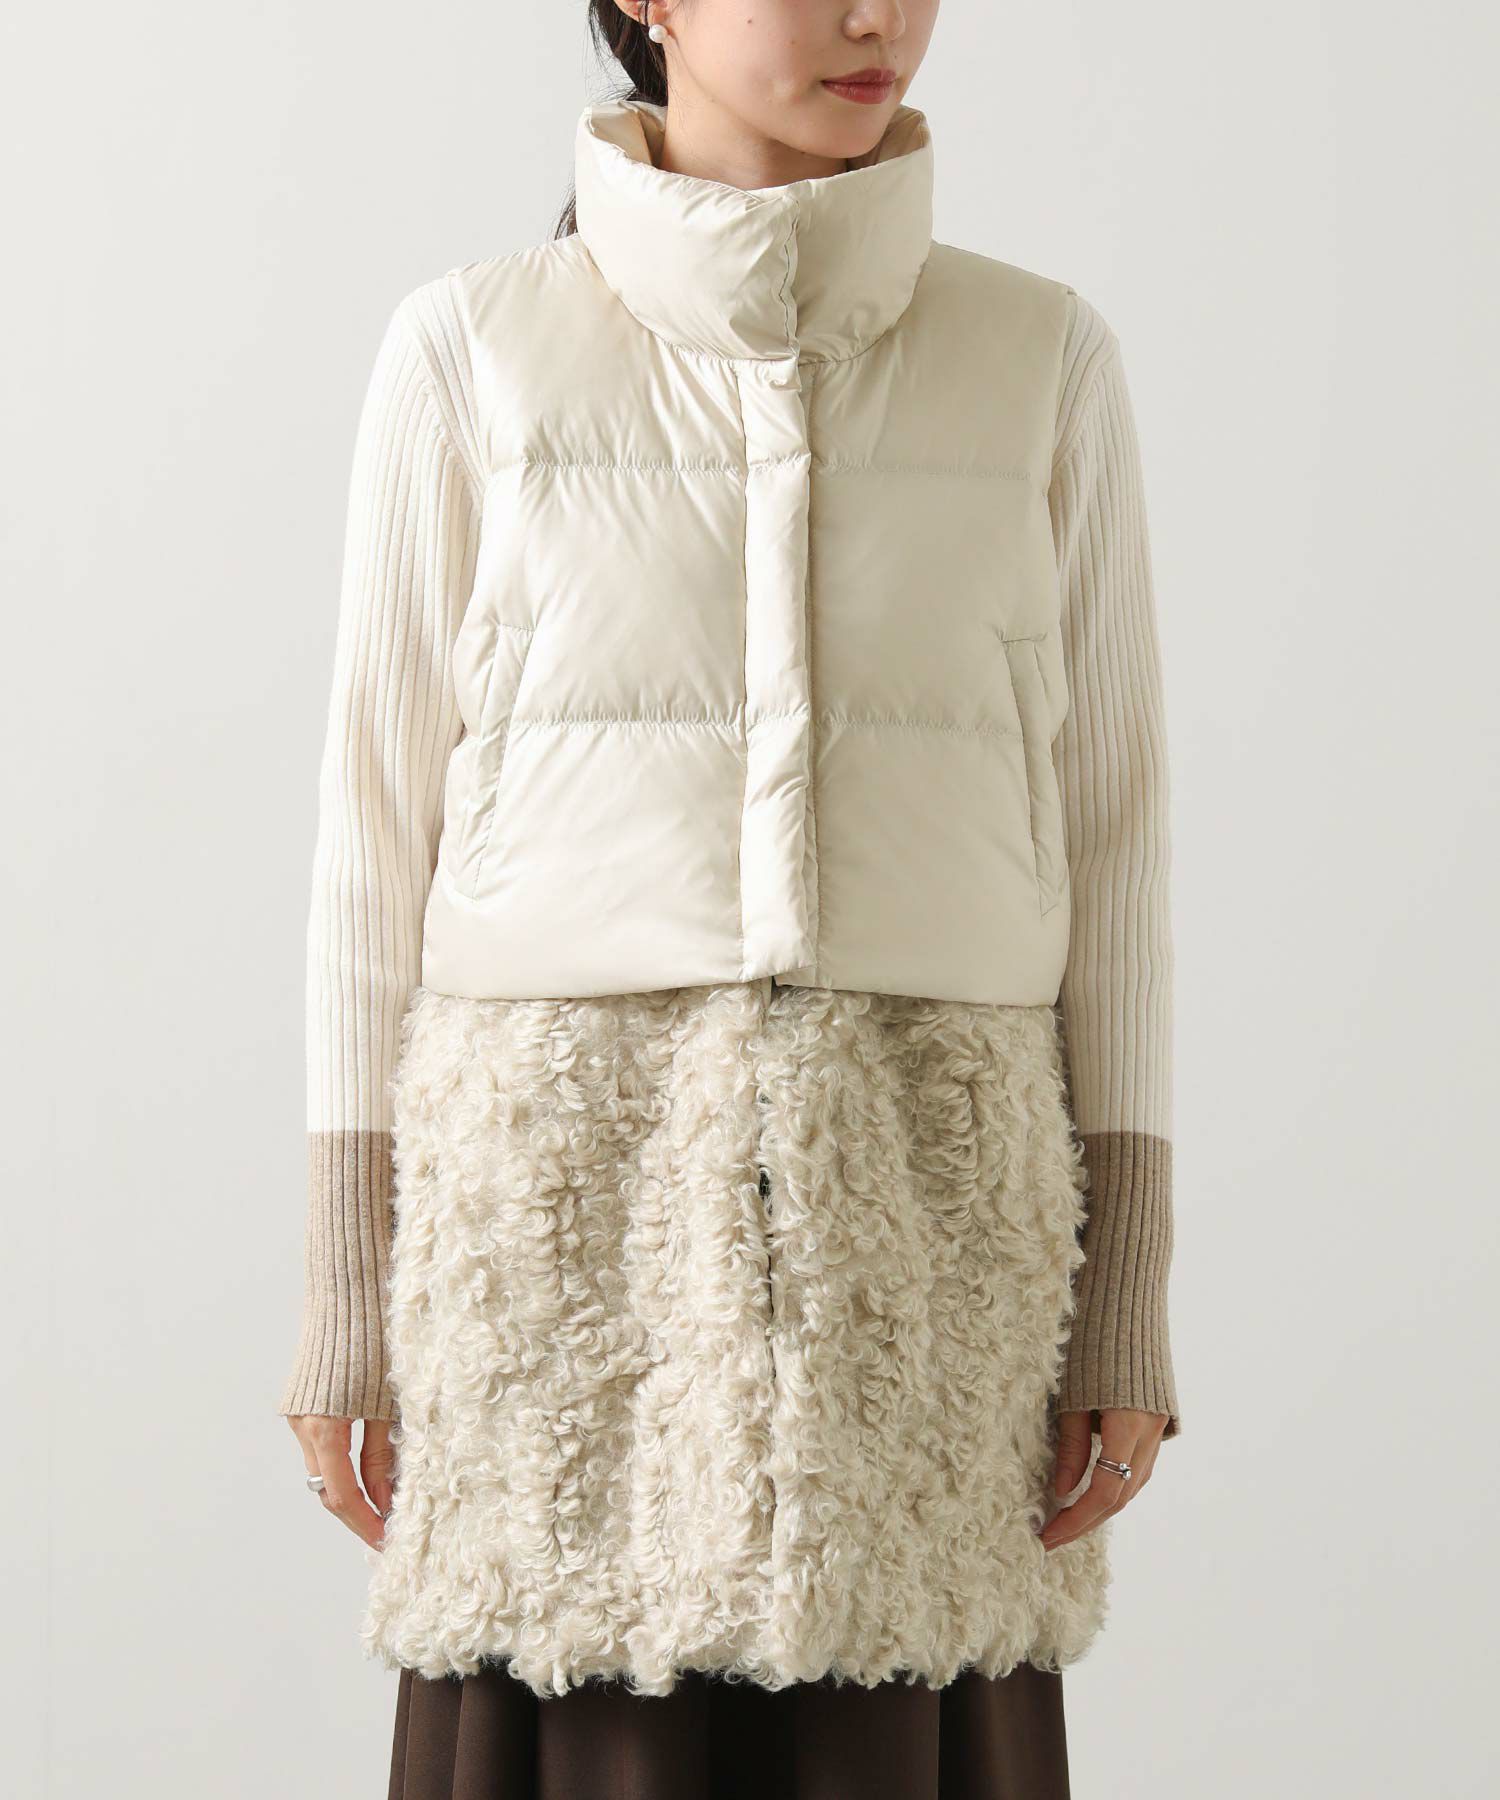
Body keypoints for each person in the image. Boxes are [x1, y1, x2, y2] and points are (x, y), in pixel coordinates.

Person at [280, 2, 1182, 1794]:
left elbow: (1114, 834)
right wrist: (347, 1289)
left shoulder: (1039, 359)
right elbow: (372, 838)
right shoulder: (474, 350)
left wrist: (1127, 1286)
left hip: (930, 1234)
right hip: (559, 1245)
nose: (877, 17)